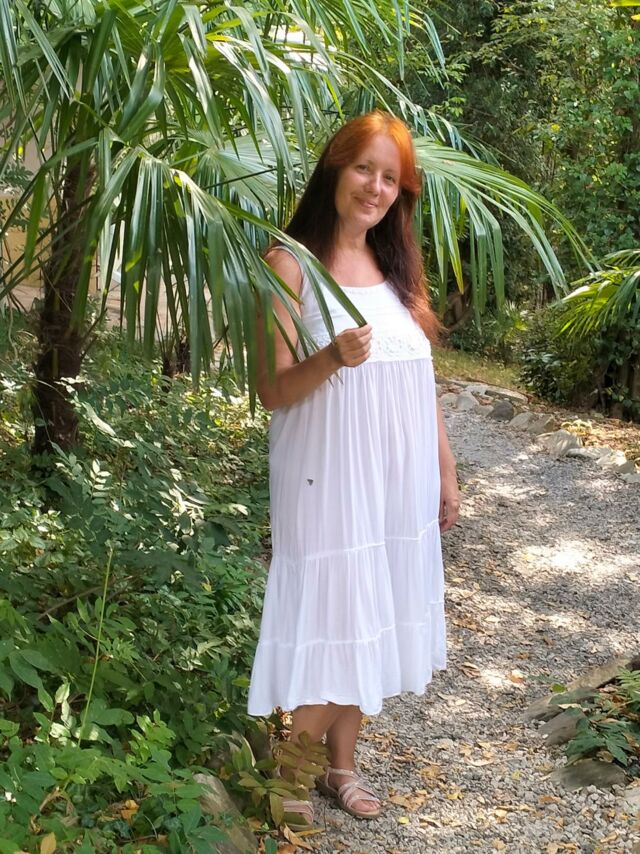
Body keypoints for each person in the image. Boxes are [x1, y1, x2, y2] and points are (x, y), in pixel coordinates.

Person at [247, 110, 460, 823]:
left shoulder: (395, 271)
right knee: (344, 613)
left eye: (390, 178)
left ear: (401, 193)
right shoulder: (290, 265)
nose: (375, 187)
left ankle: (341, 768)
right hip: (326, 477)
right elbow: (272, 389)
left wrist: (445, 470)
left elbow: (418, 382)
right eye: (364, 168)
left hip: (397, 483)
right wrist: (331, 357)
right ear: (335, 171)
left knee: (380, 611)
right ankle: (288, 769)